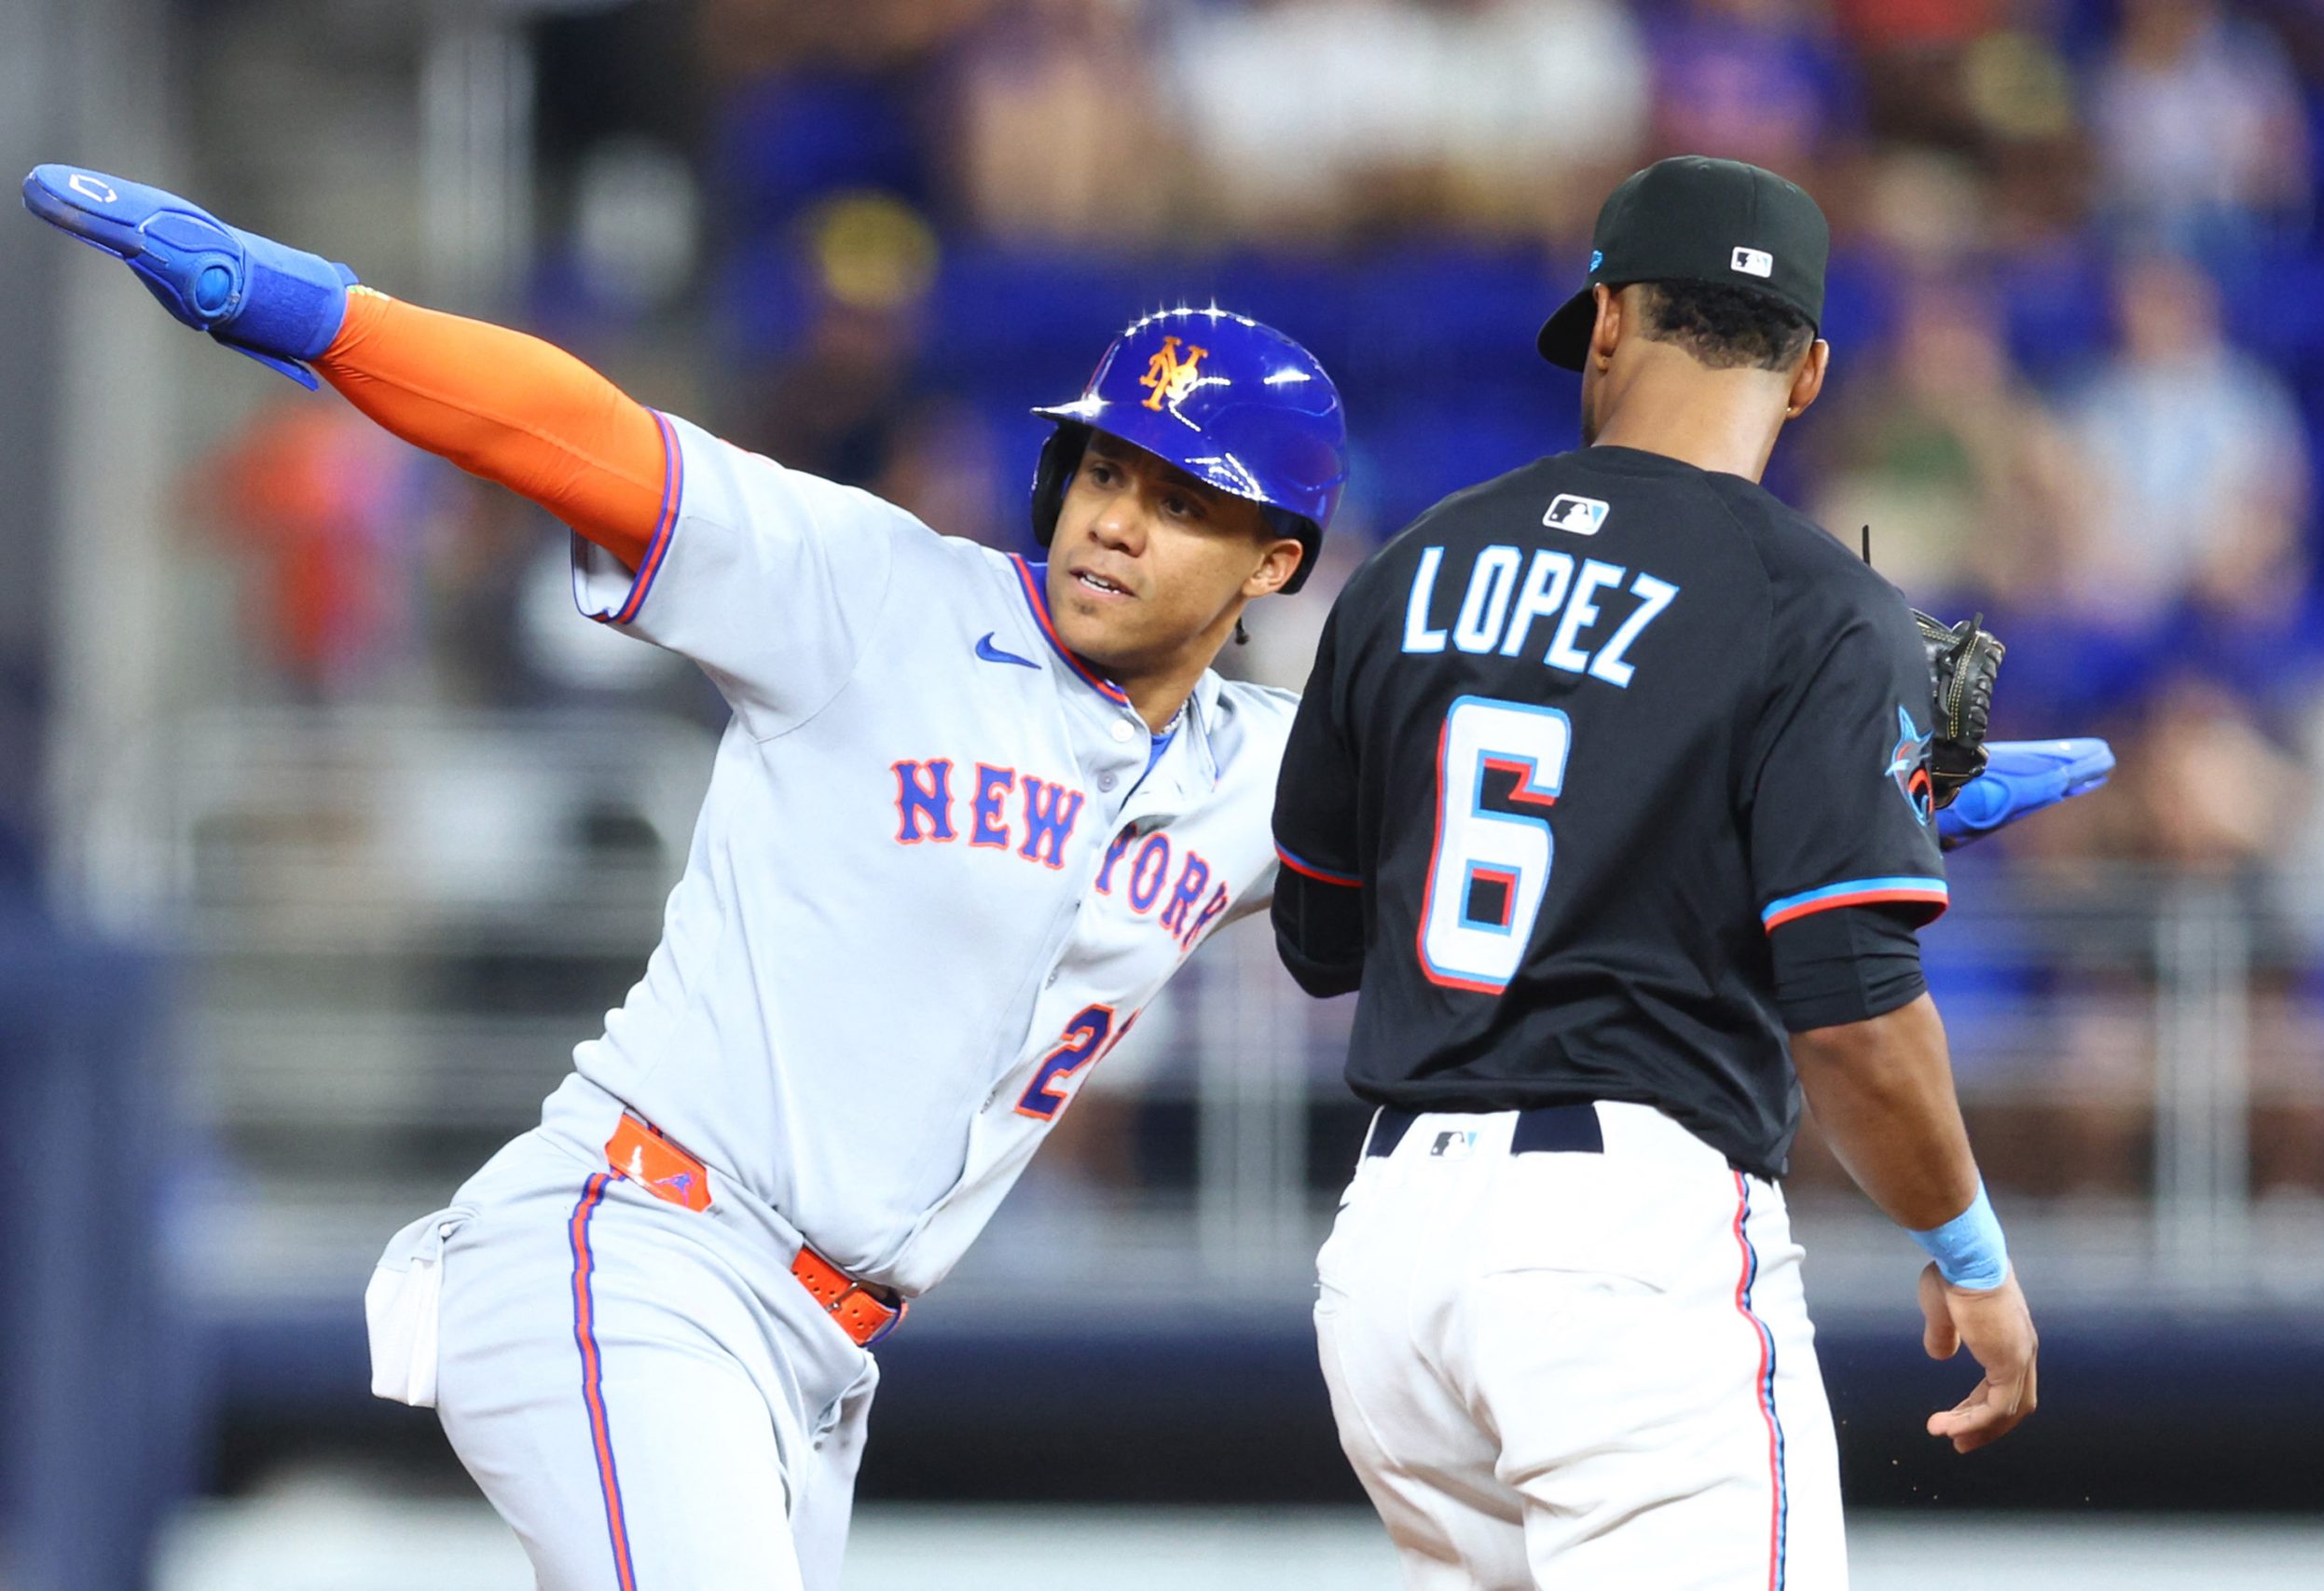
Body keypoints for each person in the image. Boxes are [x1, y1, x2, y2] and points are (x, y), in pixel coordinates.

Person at [22, 163, 1344, 1589]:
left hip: (822, 1355)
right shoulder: (879, 595)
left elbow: (1535, 819)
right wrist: (327, 320)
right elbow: (588, 440)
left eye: (1183, 501)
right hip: (645, 1246)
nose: (1115, 520)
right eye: (1104, 468)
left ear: (1273, 563)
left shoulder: (1267, 775)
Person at [1272, 156, 2045, 1590]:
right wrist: (1973, 1251)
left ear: (1610, 318)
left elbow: (1324, 937)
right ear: (1809, 374)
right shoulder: (1819, 607)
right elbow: (1860, 1021)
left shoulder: (1412, 567)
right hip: (1622, 1249)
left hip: (1391, 1261)